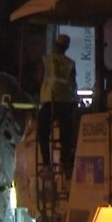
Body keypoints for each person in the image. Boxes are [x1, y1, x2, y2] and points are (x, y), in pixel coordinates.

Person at [39, 33, 77, 176]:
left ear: (56, 45)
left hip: (49, 101)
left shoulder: (46, 60)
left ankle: (47, 165)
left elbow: (40, 77)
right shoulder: (70, 63)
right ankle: (64, 163)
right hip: (66, 102)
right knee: (66, 135)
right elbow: (73, 83)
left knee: (43, 133)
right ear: (66, 47)